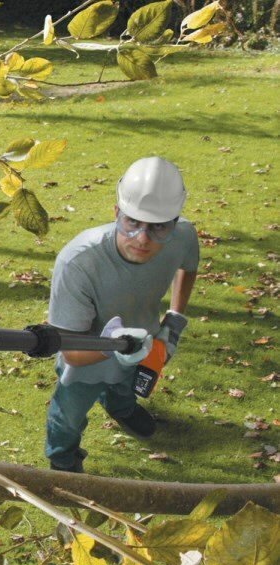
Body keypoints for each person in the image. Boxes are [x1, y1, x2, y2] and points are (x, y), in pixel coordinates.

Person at [45, 157, 199, 473]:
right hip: (87, 355)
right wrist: (110, 348)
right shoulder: (78, 263)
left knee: (126, 383)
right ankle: (62, 458)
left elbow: (189, 267)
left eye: (158, 227)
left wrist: (175, 319)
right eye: (132, 222)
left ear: (174, 221)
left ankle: (122, 409)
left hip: (145, 338)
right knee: (69, 413)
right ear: (116, 212)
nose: (143, 239)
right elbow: (71, 353)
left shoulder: (182, 236)